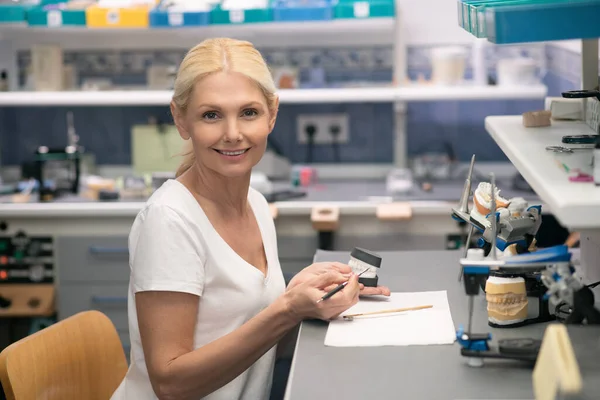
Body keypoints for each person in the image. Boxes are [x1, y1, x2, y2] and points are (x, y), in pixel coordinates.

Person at [110, 37, 390, 400]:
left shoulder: (255, 204)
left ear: (272, 114)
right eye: (211, 115)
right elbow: (171, 384)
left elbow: (253, 344)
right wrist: (287, 310)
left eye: (249, 112)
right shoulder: (169, 221)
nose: (232, 134)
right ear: (181, 120)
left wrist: (303, 302)